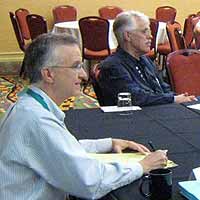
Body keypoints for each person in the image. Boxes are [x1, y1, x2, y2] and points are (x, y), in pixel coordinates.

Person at [0, 33, 168, 200]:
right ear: (49, 74)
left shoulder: (29, 105)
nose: (83, 75)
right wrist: (141, 166)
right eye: (76, 66)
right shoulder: (37, 120)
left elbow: (61, 149)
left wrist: (109, 143)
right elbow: (90, 182)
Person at [97, 10, 197, 106]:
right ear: (128, 36)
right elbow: (136, 97)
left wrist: (177, 98)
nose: (150, 36)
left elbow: (162, 87)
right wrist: (173, 99)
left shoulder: (144, 59)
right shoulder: (112, 66)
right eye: (144, 32)